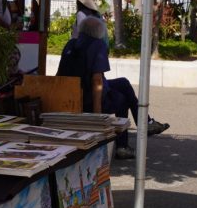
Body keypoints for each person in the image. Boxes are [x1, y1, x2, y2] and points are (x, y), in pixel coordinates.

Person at [57, 17, 169, 160]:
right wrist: (96, 116)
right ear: (98, 32)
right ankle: (125, 144)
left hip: (73, 94)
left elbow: (59, 74)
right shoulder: (97, 45)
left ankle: (145, 123)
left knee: (123, 83)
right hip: (89, 99)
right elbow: (97, 81)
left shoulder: (70, 44)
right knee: (122, 99)